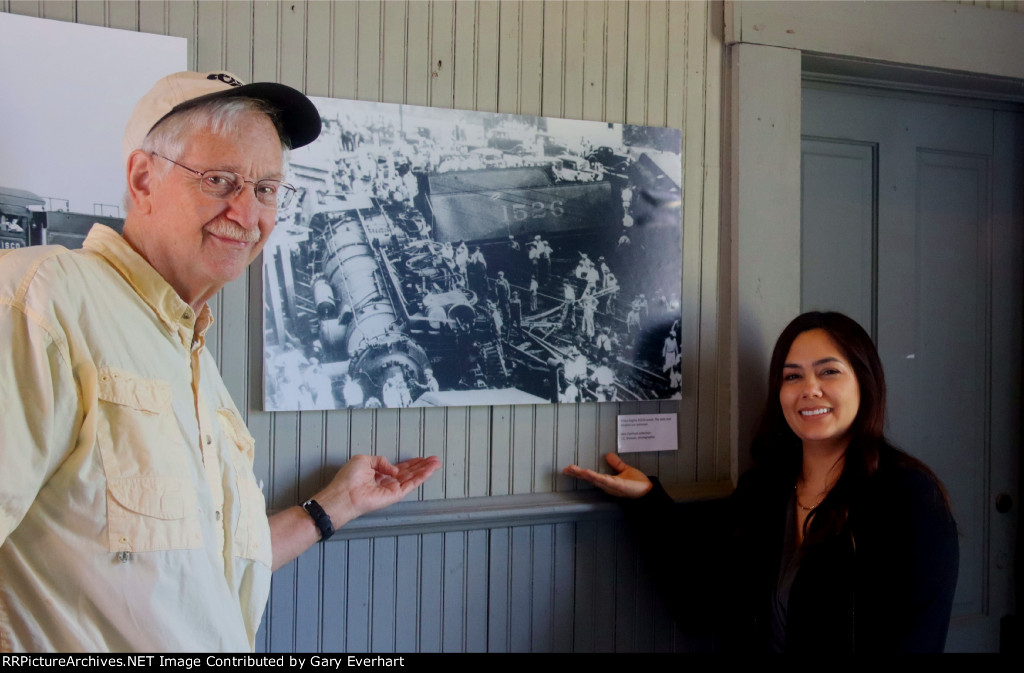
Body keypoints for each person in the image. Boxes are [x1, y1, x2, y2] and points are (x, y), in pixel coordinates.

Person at [0, 71, 441, 652]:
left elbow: (210, 569)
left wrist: (336, 505)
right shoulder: (41, 300)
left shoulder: (192, 359)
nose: (246, 212)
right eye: (219, 180)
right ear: (143, 179)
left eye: (265, 190)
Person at [564, 312, 958, 653]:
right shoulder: (762, 491)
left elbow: (917, 640)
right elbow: (701, 605)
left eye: (829, 371)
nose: (809, 389)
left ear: (865, 383)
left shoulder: (907, 496)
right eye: (792, 376)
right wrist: (647, 500)